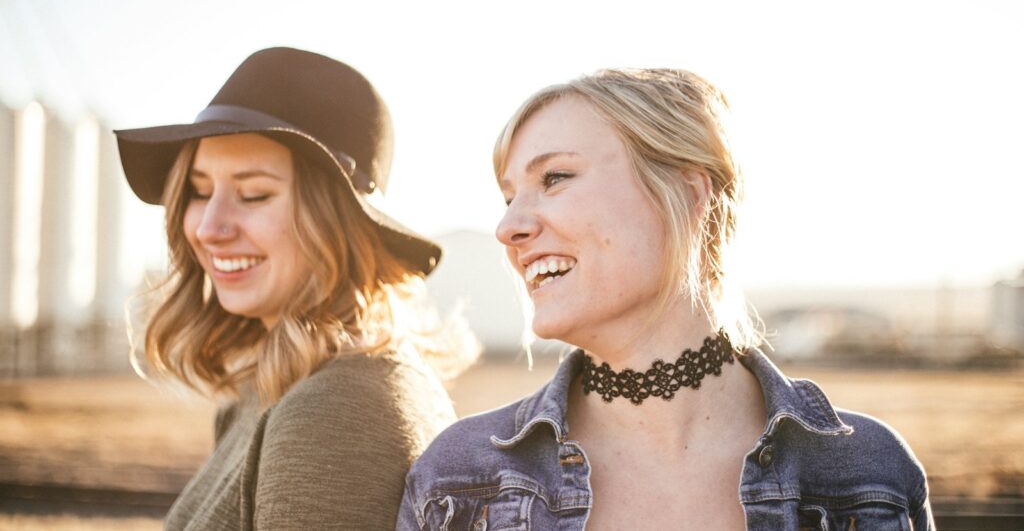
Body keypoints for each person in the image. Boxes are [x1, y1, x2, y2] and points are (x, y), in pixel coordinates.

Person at [398, 69, 932, 530]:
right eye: (510, 196)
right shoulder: (457, 481)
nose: (508, 227)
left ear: (688, 193)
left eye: (555, 177)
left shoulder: (869, 474)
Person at [115, 47, 475, 530]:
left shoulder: (336, 412)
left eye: (254, 194)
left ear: (338, 222)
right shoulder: (273, 391)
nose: (208, 227)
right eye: (199, 191)